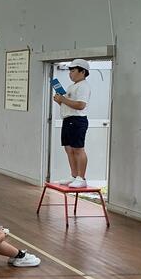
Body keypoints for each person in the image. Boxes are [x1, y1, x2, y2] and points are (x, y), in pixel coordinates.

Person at [54, 58, 92, 188]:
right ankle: (74, 175)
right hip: (68, 120)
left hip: (77, 120)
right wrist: (60, 101)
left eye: (73, 71)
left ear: (82, 72)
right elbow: (68, 105)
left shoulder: (83, 86)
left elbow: (81, 105)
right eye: (69, 71)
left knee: (78, 149)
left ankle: (81, 178)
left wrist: (63, 99)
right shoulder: (72, 86)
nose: (70, 74)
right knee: (68, 149)